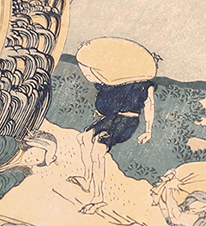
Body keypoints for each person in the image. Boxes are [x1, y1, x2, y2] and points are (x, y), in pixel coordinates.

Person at [67, 38, 157, 214]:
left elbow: (149, 105)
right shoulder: (117, 80)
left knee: (97, 151)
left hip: (126, 122)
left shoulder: (146, 85)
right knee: (83, 138)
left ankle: (98, 198)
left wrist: (148, 131)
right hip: (113, 118)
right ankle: (87, 180)